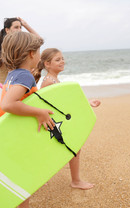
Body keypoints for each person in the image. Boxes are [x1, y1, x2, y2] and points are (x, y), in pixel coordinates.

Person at [0, 31, 55, 208]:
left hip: (8, 134)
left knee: (17, 179)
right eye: (38, 51)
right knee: (24, 181)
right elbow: (8, 104)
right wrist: (39, 112)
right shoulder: (25, 76)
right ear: (31, 53)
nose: (39, 55)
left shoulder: (13, 74)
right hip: (17, 138)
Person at [34, 48, 101, 190]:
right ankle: (74, 181)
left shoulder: (54, 79)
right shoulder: (48, 81)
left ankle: (48, 179)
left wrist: (87, 102)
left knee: (72, 149)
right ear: (47, 64)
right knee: (71, 148)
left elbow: (64, 102)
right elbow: (40, 103)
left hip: (57, 123)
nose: (62, 61)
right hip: (53, 124)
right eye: (57, 60)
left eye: (62, 58)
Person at [0, 17, 39, 84]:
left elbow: (39, 41)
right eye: (16, 27)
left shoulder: (16, 43)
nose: (19, 30)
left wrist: (25, 25)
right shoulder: (9, 45)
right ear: (7, 30)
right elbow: (38, 40)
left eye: (20, 27)